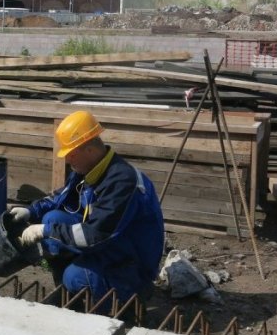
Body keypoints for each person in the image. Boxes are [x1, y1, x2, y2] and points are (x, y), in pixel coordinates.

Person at [14, 110, 165, 304]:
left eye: (71, 154)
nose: (67, 160)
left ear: (89, 149)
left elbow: (94, 236)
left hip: (132, 264)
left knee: (74, 275)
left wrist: (45, 231)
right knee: (53, 217)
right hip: (112, 245)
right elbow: (61, 197)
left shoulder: (121, 181)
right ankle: (70, 290)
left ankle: (121, 303)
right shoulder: (91, 169)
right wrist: (31, 211)